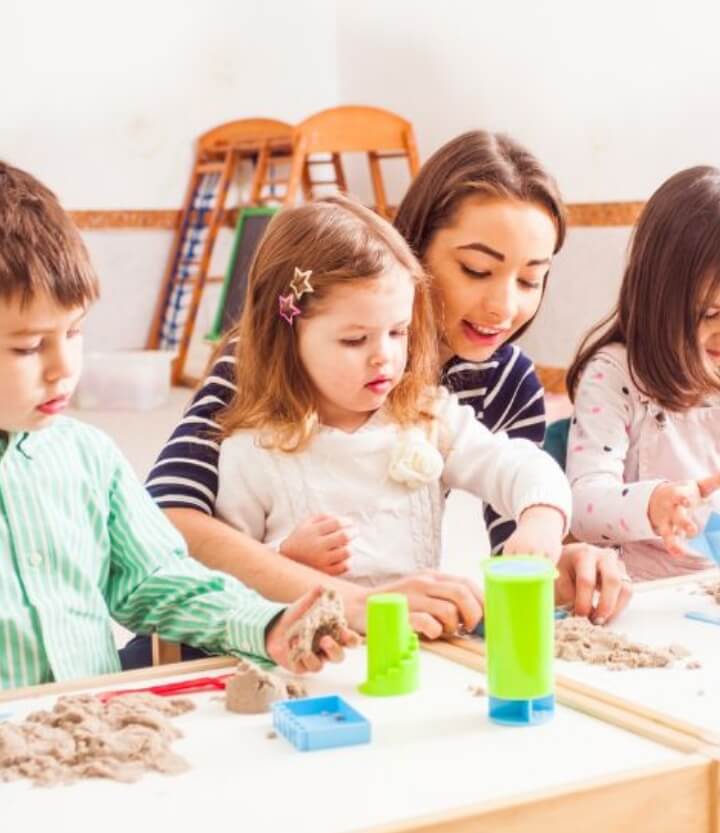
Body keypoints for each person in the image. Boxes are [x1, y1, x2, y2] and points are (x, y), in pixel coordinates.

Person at [145, 131, 630, 638]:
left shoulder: (482, 392)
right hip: (272, 633)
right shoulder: (268, 364)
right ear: (410, 250)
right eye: (477, 269)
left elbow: (518, 527)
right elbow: (172, 523)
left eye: (531, 279)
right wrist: (354, 601)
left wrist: (560, 555)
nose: (504, 307)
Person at [0, 160, 356, 689]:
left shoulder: (87, 456)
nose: (63, 367)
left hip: (88, 734)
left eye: (74, 333)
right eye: (29, 346)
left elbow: (157, 577)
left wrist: (266, 625)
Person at [214, 195, 571, 595]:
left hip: (412, 647)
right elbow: (222, 585)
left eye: (398, 332)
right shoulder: (254, 449)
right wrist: (284, 557)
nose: (384, 356)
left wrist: (541, 514)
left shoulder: (426, 417)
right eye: (354, 339)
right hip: (308, 654)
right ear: (288, 340)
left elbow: (518, 465)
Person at [566, 166, 720, 580]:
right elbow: (582, 507)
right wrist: (651, 505)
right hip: (645, 593)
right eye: (711, 314)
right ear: (661, 299)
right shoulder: (616, 376)